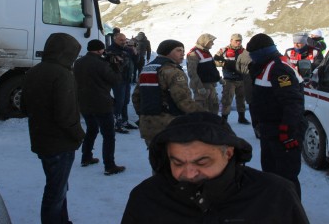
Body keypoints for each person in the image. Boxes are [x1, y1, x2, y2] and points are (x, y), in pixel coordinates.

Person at [121, 112, 309, 223]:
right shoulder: (147, 197)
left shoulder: (274, 194)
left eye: (202, 162)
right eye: (177, 162)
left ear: (228, 153)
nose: (189, 173)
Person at [21, 32, 85, 224]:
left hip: (41, 138)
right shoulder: (62, 74)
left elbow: (24, 107)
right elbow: (65, 114)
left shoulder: (34, 71)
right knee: (55, 192)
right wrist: (78, 134)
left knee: (58, 187)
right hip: (61, 142)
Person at [246, 33, 306, 198]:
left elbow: (292, 102)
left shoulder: (278, 68)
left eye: (252, 55)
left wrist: (287, 131)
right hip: (270, 130)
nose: (251, 58)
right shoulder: (265, 66)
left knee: (285, 178)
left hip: (282, 132)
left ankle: (292, 214)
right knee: (271, 175)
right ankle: (276, 209)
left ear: (261, 53)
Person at [131, 39, 205, 145]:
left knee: (156, 159)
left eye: (183, 50)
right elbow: (183, 101)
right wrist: (202, 115)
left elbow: (136, 97)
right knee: (174, 159)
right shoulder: (174, 72)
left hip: (148, 126)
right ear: (167, 52)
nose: (182, 53)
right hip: (170, 126)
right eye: (178, 50)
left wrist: (145, 115)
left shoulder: (148, 69)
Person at [73, 39, 126, 176]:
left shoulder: (78, 62)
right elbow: (115, 80)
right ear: (99, 50)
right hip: (101, 103)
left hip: (84, 102)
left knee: (91, 129)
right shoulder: (101, 64)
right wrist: (117, 66)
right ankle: (109, 165)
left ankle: (86, 157)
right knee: (108, 135)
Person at [214, 33, 249, 125]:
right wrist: (225, 64)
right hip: (229, 79)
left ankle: (242, 117)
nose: (238, 42)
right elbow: (214, 61)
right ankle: (224, 119)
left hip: (241, 78)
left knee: (241, 99)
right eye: (236, 41)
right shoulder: (223, 50)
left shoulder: (244, 51)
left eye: (240, 41)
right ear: (231, 40)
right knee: (227, 99)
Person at [106, 33, 138, 133]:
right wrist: (125, 55)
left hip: (126, 79)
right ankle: (117, 123)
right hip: (118, 79)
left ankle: (124, 121)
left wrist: (134, 50)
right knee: (119, 102)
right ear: (115, 39)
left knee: (126, 101)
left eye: (124, 40)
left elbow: (136, 60)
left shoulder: (126, 49)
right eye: (121, 40)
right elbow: (118, 64)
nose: (124, 42)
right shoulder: (111, 50)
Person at [186, 33, 220, 113]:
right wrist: (200, 87)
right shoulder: (194, 54)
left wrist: (218, 78)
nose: (213, 43)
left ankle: (214, 123)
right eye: (211, 41)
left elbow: (211, 67)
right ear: (205, 42)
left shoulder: (206, 52)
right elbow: (192, 72)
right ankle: (202, 124)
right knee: (202, 107)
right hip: (202, 86)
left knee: (214, 105)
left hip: (210, 85)